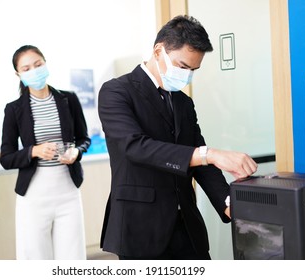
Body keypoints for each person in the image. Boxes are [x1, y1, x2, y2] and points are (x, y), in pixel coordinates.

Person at [98, 15, 258, 260]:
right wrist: (210, 154)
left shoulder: (183, 102)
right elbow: (136, 147)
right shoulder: (117, 91)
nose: (187, 75)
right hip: (142, 228)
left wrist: (228, 201)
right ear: (158, 51)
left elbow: (200, 159)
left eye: (194, 70)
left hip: (187, 227)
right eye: (183, 66)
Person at [0, 45, 91, 260]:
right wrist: (34, 151)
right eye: (27, 68)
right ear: (18, 74)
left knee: (73, 257)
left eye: (38, 64)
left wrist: (76, 153)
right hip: (34, 195)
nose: (34, 70)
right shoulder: (14, 109)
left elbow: (84, 139)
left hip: (68, 191)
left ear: (46, 63)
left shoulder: (69, 99)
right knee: (36, 258)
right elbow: (6, 158)